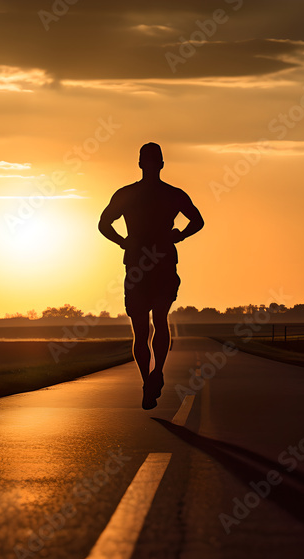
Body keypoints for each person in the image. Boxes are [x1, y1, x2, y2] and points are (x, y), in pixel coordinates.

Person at [99, 143, 204, 410]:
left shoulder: (128, 194)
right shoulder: (172, 194)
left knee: (143, 329)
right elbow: (198, 221)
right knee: (158, 321)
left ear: (140, 164)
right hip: (157, 264)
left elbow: (103, 223)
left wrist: (123, 241)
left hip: (142, 265)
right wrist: (179, 234)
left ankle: (149, 379)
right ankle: (154, 375)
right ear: (161, 164)